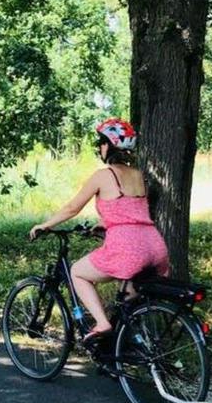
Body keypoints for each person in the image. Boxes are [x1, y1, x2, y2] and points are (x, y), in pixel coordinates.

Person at [29, 118, 170, 343]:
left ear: (109, 145)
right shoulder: (139, 175)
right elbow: (132, 209)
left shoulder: (104, 175)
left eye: (101, 143)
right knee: (126, 303)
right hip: (154, 246)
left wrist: (45, 225)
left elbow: (72, 208)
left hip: (128, 248)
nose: (99, 147)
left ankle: (102, 323)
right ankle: (122, 348)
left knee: (77, 272)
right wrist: (105, 223)